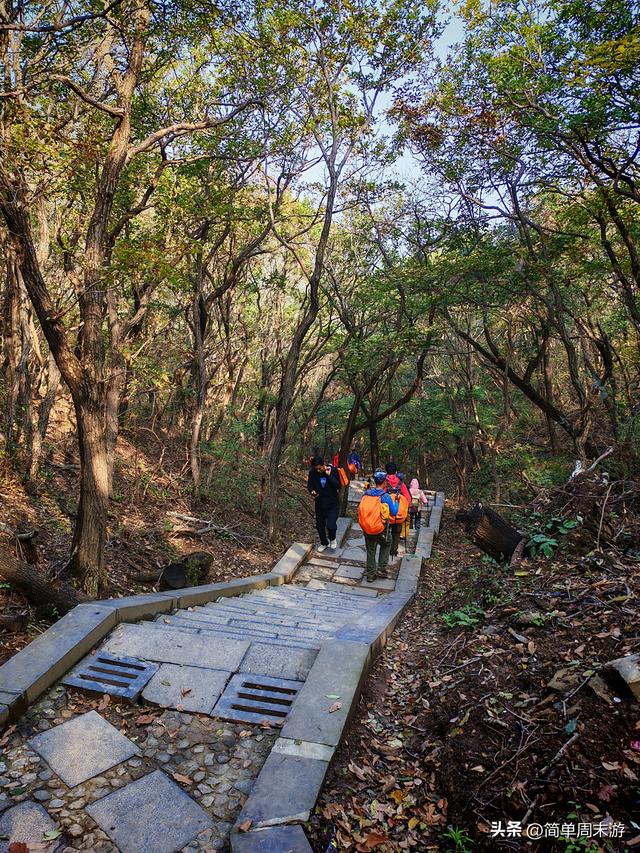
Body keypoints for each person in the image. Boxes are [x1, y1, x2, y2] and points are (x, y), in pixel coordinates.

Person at [358, 470, 400, 581]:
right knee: (387, 543)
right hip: (381, 528)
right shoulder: (385, 496)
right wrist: (397, 501)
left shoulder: (366, 494)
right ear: (384, 482)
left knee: (371, 549)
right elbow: (394, 512)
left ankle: (371, 574)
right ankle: (381, 568)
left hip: (367, 527)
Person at [307, 455, 341, 552]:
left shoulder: (333, 470)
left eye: (320, 468)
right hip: (320, 503)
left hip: (332, 504)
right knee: (320, 525)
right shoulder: (313, 473)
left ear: (324, 464)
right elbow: (310, 485)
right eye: (316, 469)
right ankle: (324, 542)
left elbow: (338, 485)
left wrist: (328, 475)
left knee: (331, 525)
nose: (318, 470)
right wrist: (312, 491)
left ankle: (332, 538)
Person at [385, 463, 411, 557]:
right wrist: (405, 508)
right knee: (396, 532)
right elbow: (408, 498)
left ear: (386, 471)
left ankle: (385, 550)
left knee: (385, 531)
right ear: (396, 472)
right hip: (398, 513)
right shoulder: (401, 483)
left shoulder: (384, 482)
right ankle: (393, 550)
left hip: (386, 513)